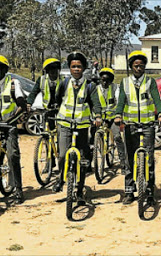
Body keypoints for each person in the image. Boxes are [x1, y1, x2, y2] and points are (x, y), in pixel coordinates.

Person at [114, 51, 161, 205]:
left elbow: (157, 99)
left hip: (148, 124)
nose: (139, 68)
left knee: (149, 159)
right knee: (130, 159)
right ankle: (129, 191)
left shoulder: (150, 82)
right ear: (131, 67)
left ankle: (150, 192)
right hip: (130, 124)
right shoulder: (124, 82)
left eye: (141, 66)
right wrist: (118, 115)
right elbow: (121, 101)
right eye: (136, 66)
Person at [52, 52, 102, 205]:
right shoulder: (64, 83)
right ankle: (61, 178)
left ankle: (79, 191)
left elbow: (95, 103)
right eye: (73, 66)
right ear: (69, 67)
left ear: (83, 68)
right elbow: (57, 99)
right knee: (61, 156)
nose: (76, 69)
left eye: (79, 66)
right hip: (65, 124)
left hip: (82, 126)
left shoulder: (90, 86)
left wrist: (98, 116)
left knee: (82, 159)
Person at [0, 55, 27, 204]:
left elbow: (22, 105)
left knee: (13, 154)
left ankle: (18, 189)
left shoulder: (14, 83)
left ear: (4, 69)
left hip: (10, 121)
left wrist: (9, 120)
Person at [92, 67, 127, 174]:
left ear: (111, 80)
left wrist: (118, 116)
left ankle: (123, 163)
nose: (105, 82)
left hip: (112, 118)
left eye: (107, 80)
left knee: (117, 136)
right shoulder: (95, 89)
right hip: (99, 118)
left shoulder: (116, 88)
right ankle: (89, 163)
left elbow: (119, 102)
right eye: (103, 80)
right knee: (90, 139)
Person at [26, 58, 64, 131]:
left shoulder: (63, 80)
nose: (53, 72)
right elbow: (34, 92)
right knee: (48, 129)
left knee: (61, 130)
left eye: (55, 69)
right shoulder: (42, 80)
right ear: (47, 71)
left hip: (61, 109)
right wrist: (29, 103)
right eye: (51, 69)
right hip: (48, 109)